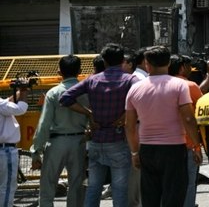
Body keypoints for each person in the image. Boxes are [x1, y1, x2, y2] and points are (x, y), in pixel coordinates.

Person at [60, 43, 139, 207]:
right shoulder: (131, 80)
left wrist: (89, 113)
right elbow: (143, 100)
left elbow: (65, 98)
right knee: (119, 188)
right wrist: (125, 115)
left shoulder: (92, 80)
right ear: (122, 59)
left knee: (94, 187)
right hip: (118, 140)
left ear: (104, 61)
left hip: (96, 141)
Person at [125, 46, 203, 207]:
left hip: (147, 149)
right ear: (168, 62)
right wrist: (196, 145)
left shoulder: (135, 88)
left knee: (150, 197)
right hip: (174, 148)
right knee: (173, 196)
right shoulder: (179, 86)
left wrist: (134, 152)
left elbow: (130, 126)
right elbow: (188, 118)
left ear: (147, 64)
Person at [31, 55, 89, 207]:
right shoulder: (86, 92)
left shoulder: (53, 93)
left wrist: (36, 150)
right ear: (80, 71)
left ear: (59, 72)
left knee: (48, 185)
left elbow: (44, 124)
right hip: (79, 142)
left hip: (56, 142)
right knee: (77, 186)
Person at [169, 55, 204, 207]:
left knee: (168, 183)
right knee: (189, 183)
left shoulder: (156, 85)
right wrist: (198, 146)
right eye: (189, 66)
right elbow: (201, 109)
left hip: (164, 144)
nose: (191, 70)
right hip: (188, 143)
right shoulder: (189, 85)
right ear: (182, 67)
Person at [0, 83, 29, 207]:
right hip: (4, 150)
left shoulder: (2, 104)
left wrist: (19, 92)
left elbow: (7, 103)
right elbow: (19, 109)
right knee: (6, 187)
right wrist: (24, 93)